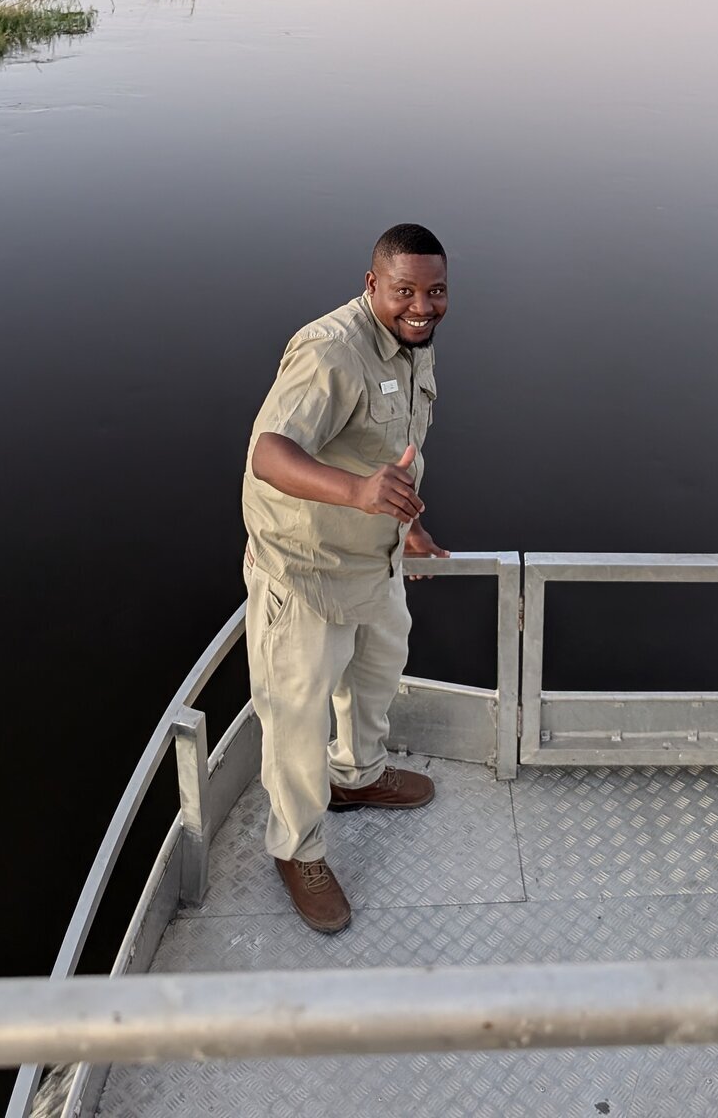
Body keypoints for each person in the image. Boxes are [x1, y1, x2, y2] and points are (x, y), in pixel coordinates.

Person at [242, 222, 450, 933]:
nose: (421, 306)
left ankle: (355, 779)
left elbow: (391, 448)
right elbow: (268, 453)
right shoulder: (329, 350)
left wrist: (406, 522)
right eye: (403, 292)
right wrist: (359, 494)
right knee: (295, 719)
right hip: (304, 572)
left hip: (373, 558)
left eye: (434, 291)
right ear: (371, 285)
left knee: (377, 674)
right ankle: (296, 850)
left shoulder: (412, 344)